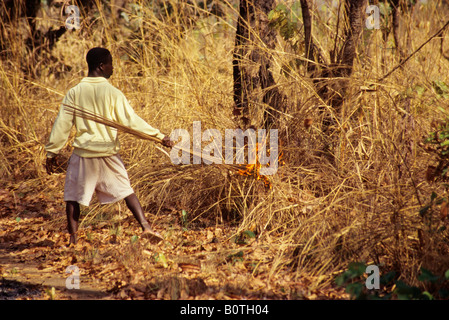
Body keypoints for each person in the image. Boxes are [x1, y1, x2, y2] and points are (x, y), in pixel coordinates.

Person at [45, 47, 173, 246]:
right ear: (101, 66)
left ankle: (73, 239)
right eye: (111, 63)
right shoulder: (113, 93)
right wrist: (159, 136)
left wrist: (51, 152)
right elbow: (132, 121)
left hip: (83, 154)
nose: (113, 68)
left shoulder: (74, 93)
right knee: (126, 191)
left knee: (72, 198)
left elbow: (62, 125)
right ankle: (146, 227)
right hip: (108, 153)